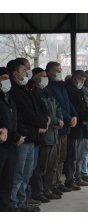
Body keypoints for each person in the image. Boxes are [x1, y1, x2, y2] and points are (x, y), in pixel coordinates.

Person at [8, 60, 49, 211]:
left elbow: (38, 109)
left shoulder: (26, 89)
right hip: (23, 136)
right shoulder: (13, 90)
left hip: (32, 137)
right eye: (25, 70)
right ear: (15, 73)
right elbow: (26, 113)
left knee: (27, 173)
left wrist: (44, 121)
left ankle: (21, 201)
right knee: (17, 173)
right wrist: (42, 122)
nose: (27, 73)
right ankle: (12, 203)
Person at [30, 67, 64, 202]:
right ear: (35, 78)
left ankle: (48, 189)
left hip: (54, 134)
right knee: (41, 167)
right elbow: (44, 113)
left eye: (45, 76)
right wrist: (56, 120)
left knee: (52, 165)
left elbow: (57, 107)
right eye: (42, 76)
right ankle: (38, 192)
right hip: (44, 136)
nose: (45, 78)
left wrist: (60, 119)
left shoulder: (47, 92)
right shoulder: (34, 94)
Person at [46, 61, 77, 195]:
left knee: (62, 158)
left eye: (60, 71)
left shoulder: (62, 86)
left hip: (66, 128)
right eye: (56, 71)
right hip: (58, 128)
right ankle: (52, 185)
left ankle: (58, 182)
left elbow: (68, 103)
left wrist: (74, 115)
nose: (59, 73)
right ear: (49, 72)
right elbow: (57, 107)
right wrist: (68, 118)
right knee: (54, 160)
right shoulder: (48, 87)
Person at [64, 70, 88, 188]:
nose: (82, 82)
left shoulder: (79, 90)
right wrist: (84, 118)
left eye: (84, 81)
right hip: (75, 127)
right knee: (72, 156)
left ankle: (77, 176)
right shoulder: (68, 90)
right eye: (81, 80)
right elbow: (74, 109)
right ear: (75, 77)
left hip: (81, 127)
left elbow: (85, 106)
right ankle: (71, 180)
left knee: (79, 155)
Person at [0, 67, 19, 211]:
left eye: (8, 78)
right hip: (1, 143)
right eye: (3, 79)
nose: (7, 82)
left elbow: (14, 119)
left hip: (11, 143)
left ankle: (6, 205)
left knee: (8, 176)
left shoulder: (9, 97)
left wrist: (17, 134)